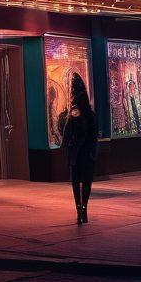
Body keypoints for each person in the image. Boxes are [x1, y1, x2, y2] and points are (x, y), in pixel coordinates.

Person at [61, 73, 98, 225]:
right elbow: (94, 136)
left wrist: (66, 149)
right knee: (87, 183)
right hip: (88, 154)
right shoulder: (91, 115)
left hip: (76, 154)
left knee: (76, 183)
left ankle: (79, 211)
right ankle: (84, 209)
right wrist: (93, 152)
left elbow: (66, 134)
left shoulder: (74, 115)